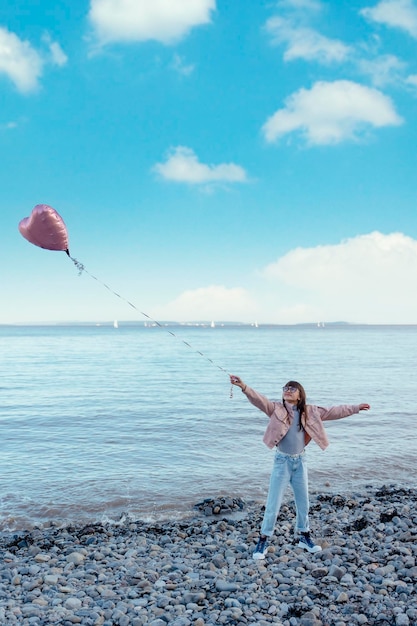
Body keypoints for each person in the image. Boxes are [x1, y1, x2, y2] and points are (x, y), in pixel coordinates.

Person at [230, 375, 370, 559]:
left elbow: (335, 411)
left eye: (292, 388)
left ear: (300, 394)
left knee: (303, 503)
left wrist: (355, 408)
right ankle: (263, 540)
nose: (287, 390)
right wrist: (243, 386)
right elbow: (259, 399)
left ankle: (304, 536)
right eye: (285, 388)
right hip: (282, 462)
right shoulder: (275, 409)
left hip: (300, 462)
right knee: (273, 504)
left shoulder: (311, 411)